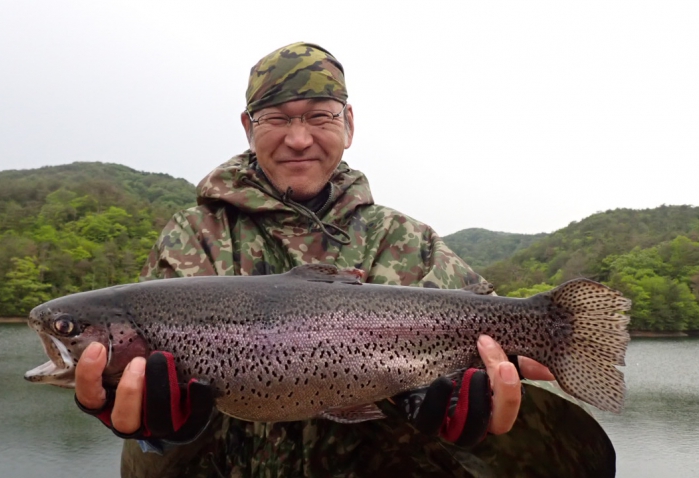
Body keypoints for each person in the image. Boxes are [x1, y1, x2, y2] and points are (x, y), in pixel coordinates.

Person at [74, 42, 616, 477]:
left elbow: (509, 357)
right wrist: (145, 424)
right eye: (277, 118)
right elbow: (145, 393)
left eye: (320, 116)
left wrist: (484, 415)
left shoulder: (409, 241)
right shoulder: (194, 236)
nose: (299, 138)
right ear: (248, 126)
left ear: (349, 123)